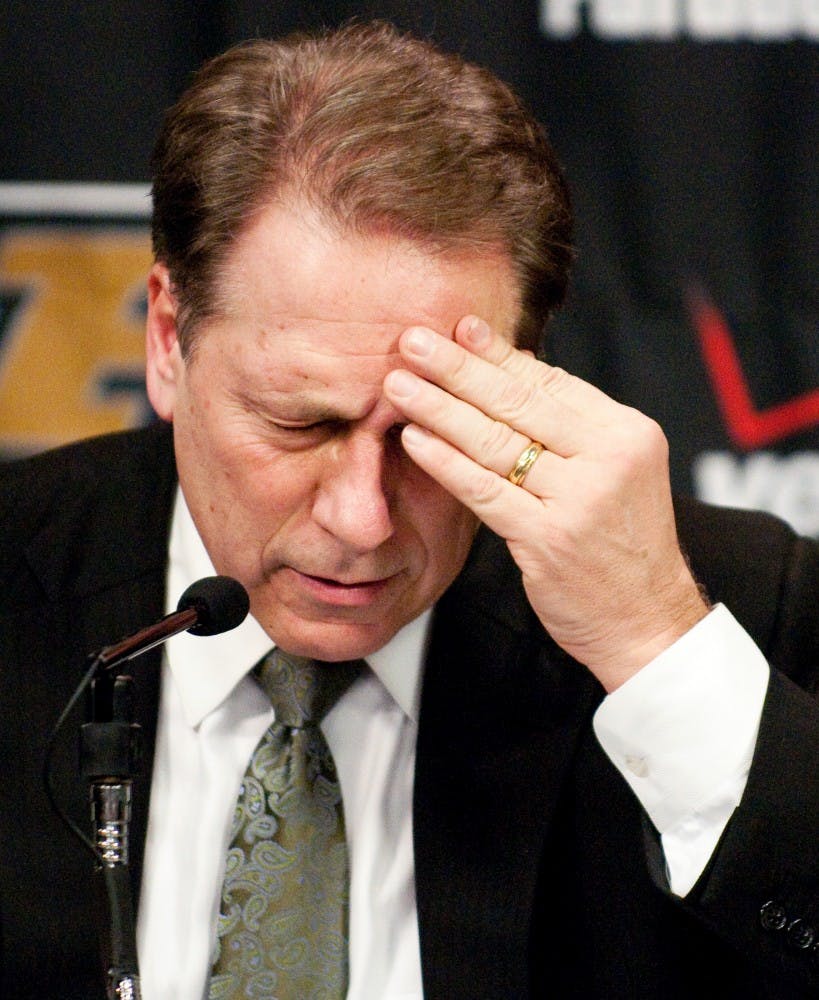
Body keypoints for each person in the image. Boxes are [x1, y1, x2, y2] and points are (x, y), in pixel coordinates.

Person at [1, 20, 817, 1000]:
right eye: (301, 423)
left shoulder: (730, 606)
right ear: (169, 341)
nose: (362, 520)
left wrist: (654, 644)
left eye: (431, 432)